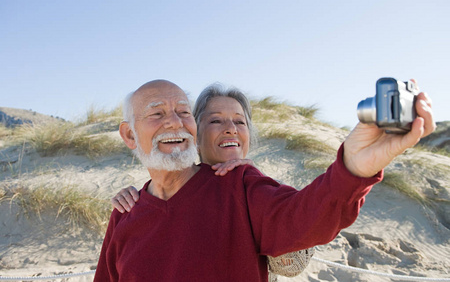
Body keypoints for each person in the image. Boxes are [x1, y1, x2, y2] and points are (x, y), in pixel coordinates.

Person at [94, 79, 435, 282]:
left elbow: (304, 218)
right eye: (156, 113)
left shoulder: (242, 185)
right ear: (129, 134)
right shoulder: (126, 211)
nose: (174, 123)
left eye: (183, 112)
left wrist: (352, 168)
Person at [111, 83, 315, 280]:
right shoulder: (165, 193)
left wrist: (255, 188)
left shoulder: (261, 190)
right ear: (195, 134)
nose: (231, 129)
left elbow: (293, 265)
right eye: (216, 121)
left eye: (240, 122)